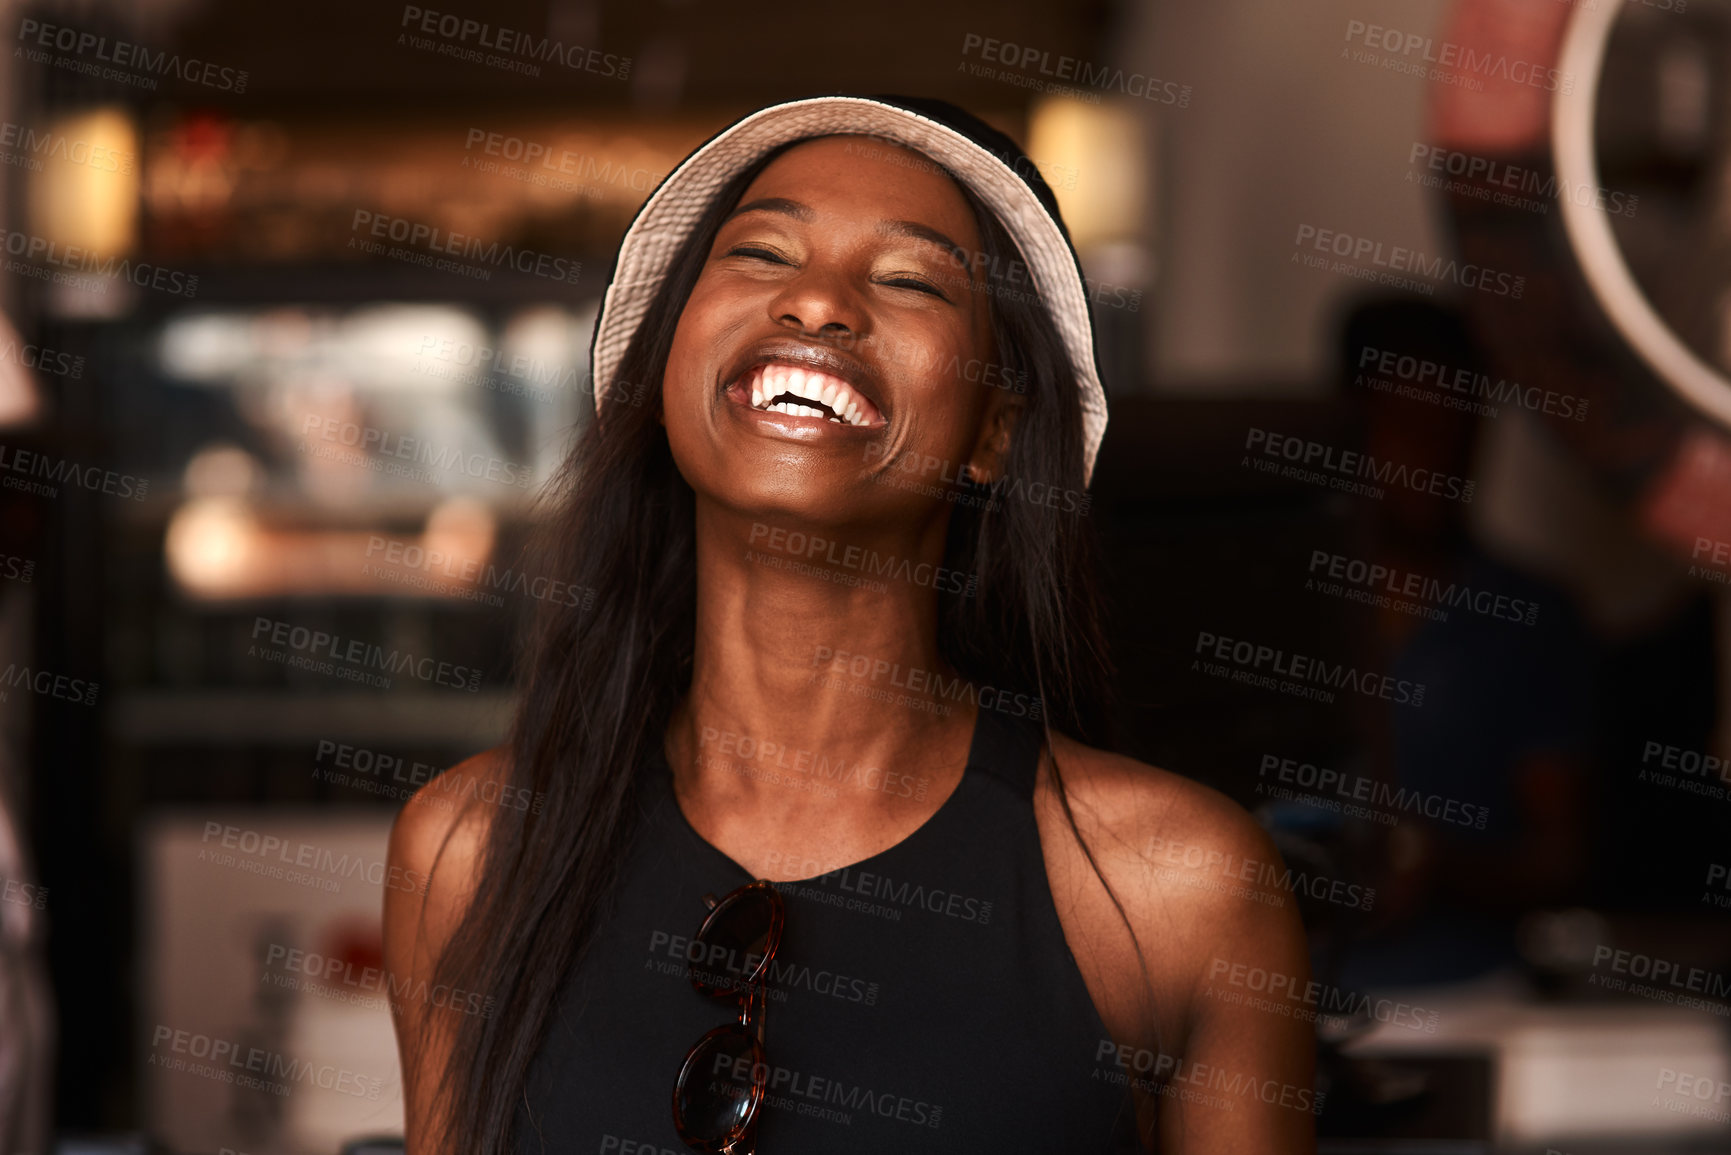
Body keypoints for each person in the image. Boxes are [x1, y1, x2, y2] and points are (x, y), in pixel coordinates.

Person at [382, 95, 1314, 1155]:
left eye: (911, 278)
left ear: (996, 432)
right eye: (762, 254)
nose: (817, 304)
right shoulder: (470, 853)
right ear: (663, 372)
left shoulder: (1171, 893)